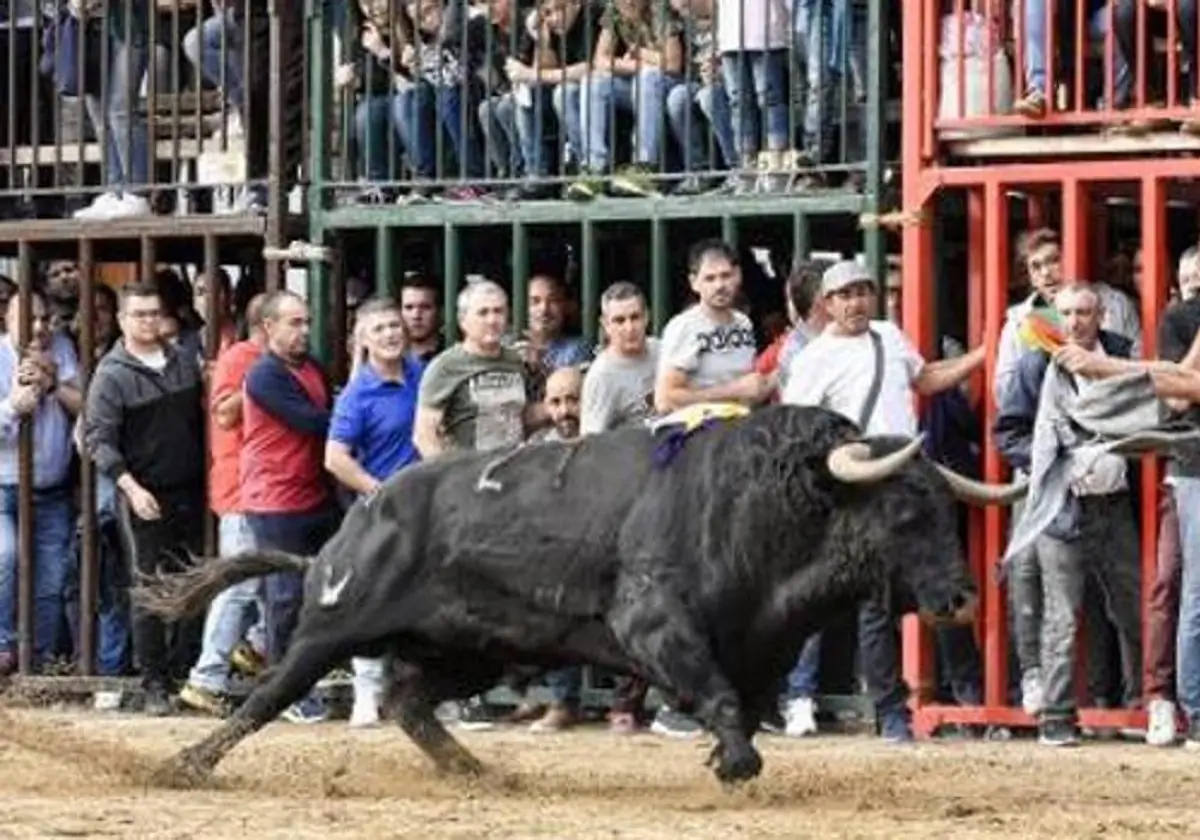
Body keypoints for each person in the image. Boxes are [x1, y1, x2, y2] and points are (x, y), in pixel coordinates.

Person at [85, 282, 207, 715]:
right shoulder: (111, 374)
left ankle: (183, 671)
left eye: (154, 313)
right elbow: (97, 441)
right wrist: (131, 489)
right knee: (150, 587)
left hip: (192, 490)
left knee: (195, 581)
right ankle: (155, 682)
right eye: (138, 314)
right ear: (122, 321)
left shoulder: (183, 362)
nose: (148, 321)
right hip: (145, 494)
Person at [325, 297, 424, 727]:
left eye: (394, 325)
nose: (390, 334)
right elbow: (335, 458)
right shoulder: (357, 394)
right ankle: (366, 692)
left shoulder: (425, 373)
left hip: (428, 511)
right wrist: (380, 491)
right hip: (383, 513)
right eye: (379, 328)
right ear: (363, 340)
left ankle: (418, 693)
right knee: (374, 599)